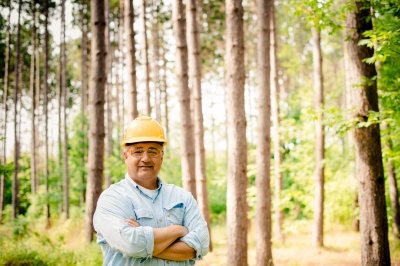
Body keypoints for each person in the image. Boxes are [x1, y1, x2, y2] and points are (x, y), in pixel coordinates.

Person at [93, 116, 210, 265]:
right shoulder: (112, 199)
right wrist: (178, 230)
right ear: (126, 156)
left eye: (153, 151)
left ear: (161, 155)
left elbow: (201, 244)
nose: (146, 158)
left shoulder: (182, 198)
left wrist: (143, 237)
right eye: (138, 151)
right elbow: (131, 244)